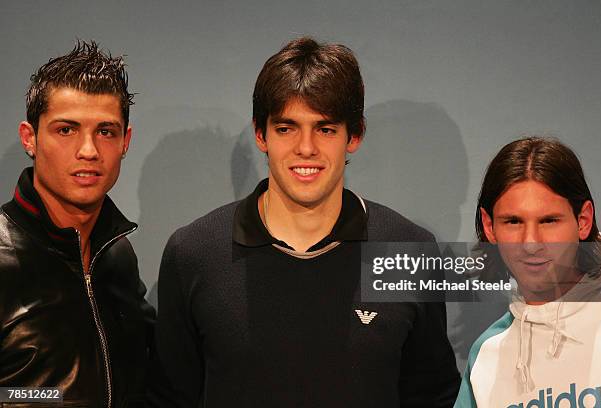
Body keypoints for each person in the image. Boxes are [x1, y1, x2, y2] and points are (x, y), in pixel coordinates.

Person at [147, 37, 460, 407]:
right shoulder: (194, 253)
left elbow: (432, 396)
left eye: (325, 129)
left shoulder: (408, 251)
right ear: (261, 134)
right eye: (287, 128)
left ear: (354, 135)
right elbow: (170, 398)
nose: (306, 148)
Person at [0, 41, 154, 407]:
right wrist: (44, 397)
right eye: (66, 130)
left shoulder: (117, 255)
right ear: (30, 138)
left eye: (105, 131)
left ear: (125, 142)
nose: (89, 150)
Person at [455, 137, 601, 408]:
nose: (531, 243)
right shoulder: (486, 355)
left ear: (583, 221)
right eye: (513, 221)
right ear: (490, 227)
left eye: (549, 220)